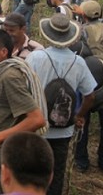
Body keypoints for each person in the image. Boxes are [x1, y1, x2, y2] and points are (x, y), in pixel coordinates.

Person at [26, 14, 96, 195]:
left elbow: (24, 89)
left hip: (37, 126)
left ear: (47, 35)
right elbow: (90, 96)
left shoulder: (35, 58)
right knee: (56, 175)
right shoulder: (78, 61)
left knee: (34, 172)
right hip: (64, 129)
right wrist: (79, 115)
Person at [0, 29, 46, 195]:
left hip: (5, 156)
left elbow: (37, 119)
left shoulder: (9, 77)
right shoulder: (9, 69)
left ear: (4, 52)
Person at [74, 0, 103, 173]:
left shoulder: (82, 31)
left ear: (84, 15)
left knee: (82, 118)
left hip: (89, 74)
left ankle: (82, 161)